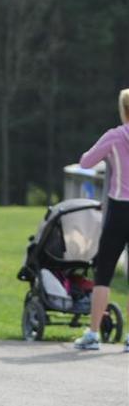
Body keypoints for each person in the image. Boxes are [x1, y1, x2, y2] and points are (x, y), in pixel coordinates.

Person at [73, 88, 129, 352]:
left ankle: (93, 334)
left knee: (104, 272)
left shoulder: (115, 136)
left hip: (119, 209)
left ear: (123, 110)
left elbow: (85, 162)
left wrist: (109, 158)